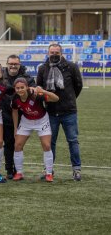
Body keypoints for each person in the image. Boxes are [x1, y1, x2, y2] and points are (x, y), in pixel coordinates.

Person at [37, 43, 83, 181]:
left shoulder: (72, 67)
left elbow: (78, 86)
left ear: (61, 53)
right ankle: (49, 170)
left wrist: (69, 99)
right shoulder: (42, 68)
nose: (54, 54)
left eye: (57, 52)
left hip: (69, 111)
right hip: (51, 112)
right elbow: (39, 87)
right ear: (48, 53)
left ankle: (76, 170)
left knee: (73, 141)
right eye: (52, 52)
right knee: (49, 143)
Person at [11, 78, 59, 182]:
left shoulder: (36, 95)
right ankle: (19, 172)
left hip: (42, 120)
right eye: (17, 88)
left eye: (22, 87)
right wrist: (15, 127)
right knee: (17, 145)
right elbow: (14, 111)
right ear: (15, 89)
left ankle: (49, 173)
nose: (20, 90)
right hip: (26, 121)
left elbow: (56, 99)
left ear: (27, 87)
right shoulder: (15, 98)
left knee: (46, 145)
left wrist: (44, 91)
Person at [1, 54, 36, 179]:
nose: (13, 66)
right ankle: (9, 170)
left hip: (22, 117)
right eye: (11, 63)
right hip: (5, 116)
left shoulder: (27, 78)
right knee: (8, 143)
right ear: (7, 64)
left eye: (15, 64)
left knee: (18, 144)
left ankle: (18, 170)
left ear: (19, 64)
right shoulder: (1, 76)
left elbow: (34, 89)